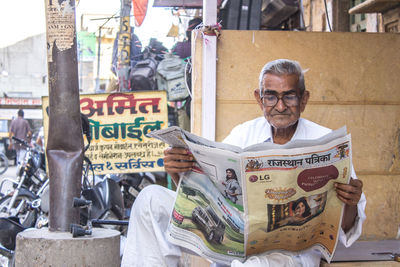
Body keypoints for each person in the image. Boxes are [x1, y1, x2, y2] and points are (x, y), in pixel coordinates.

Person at [121, 59, 366, 266]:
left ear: (303, 100)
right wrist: (179, 172)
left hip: (287, 253)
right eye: (271, 97)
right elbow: (208, 193)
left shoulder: (326, 143)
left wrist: (351, 203)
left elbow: (345, 230)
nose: (280, 106)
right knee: (150, 200)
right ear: (260, 99)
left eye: (289, 96)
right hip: (232, 237)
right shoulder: (243, 134)